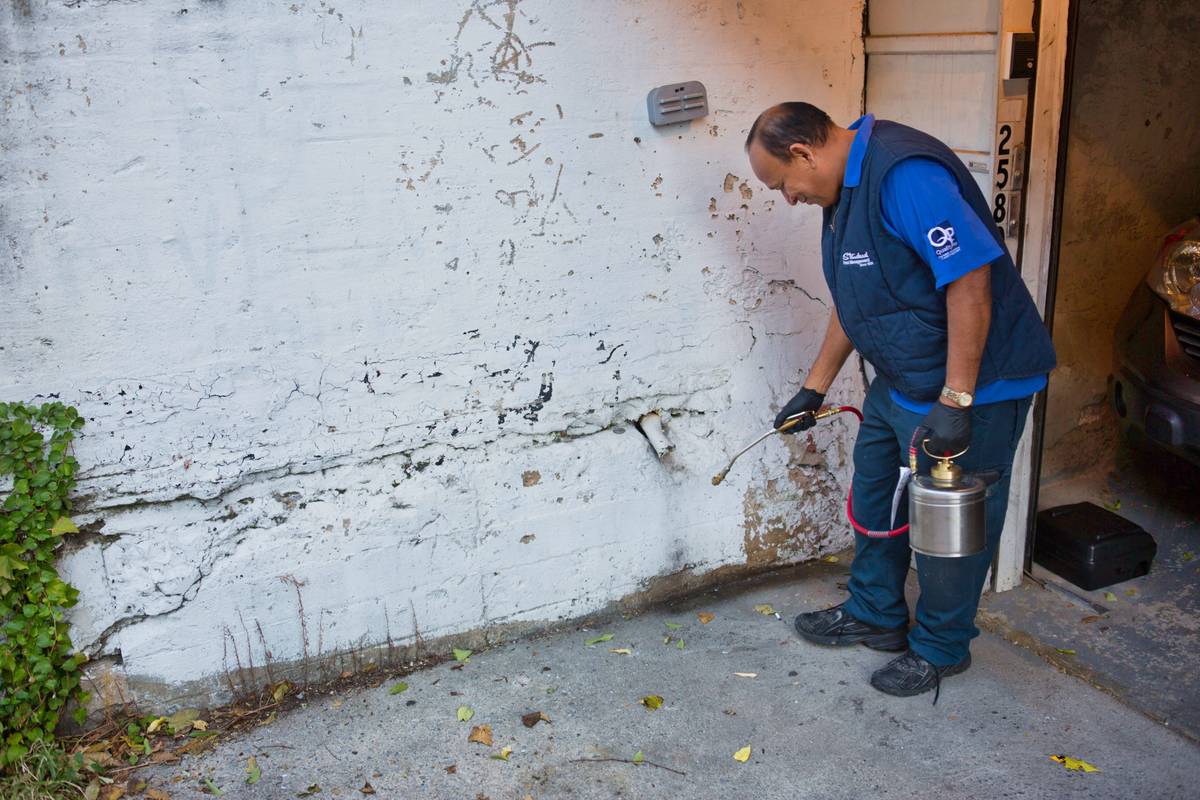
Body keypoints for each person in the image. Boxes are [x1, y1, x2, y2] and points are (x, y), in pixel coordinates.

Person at [744, 102, 1056, 701]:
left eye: (782, 184)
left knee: (951, 527)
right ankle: (876, 613)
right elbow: (856, 296)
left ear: (804, 153)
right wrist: (815, 387)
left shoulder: (904, 174)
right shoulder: (844, 190)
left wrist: (958, 398)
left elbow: (969, 279)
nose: (787, 198)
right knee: (875, 496)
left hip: (973, 386)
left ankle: (941, 647)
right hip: (902, 380)